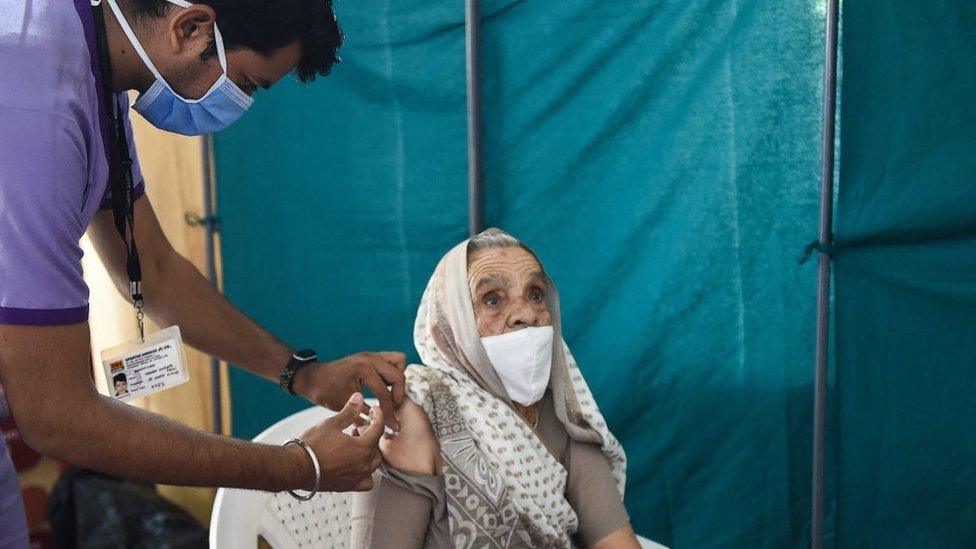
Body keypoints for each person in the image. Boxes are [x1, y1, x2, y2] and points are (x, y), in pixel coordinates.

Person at [0, 0, 406, 545]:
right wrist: (299, 467)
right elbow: (55, 414)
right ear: (191, 27)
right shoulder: (35, 111)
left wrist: (306, 376)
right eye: (246, 83)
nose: (240, 104)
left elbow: (155, 272)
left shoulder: (95, 68)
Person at [350, 229, 641, 548]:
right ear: (451, 326)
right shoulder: (414, 417)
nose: (527, 314)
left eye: (535, 294)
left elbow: (616, 542)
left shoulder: (560, 411)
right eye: (492, 299)